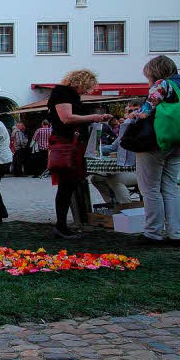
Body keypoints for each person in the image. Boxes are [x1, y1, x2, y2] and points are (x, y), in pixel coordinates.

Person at [133, 55, 180, 245]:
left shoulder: (162, 84)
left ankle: (152, 232)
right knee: (170, 187)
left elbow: (146, 111)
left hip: (157, 141)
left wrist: (135, 115)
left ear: (154, 72)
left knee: (150, 188)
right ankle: (176, 233)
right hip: (178, 141)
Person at [47, 69, 111, 239]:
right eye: (87, 87)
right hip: (67, 143)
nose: (87, 91)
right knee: (66, 185)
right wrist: (94, 118)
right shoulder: (62, 92)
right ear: (80, 82)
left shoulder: (68, 94)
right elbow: (66, 118)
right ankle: (61, 226)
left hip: (72, 142)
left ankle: (65, 224)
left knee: (70, 185)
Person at [92, 102, 140, 207]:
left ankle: (127, 208)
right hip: (129, 168)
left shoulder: (140, 127)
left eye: (131, 111)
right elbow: (112, 147)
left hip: (141, 170)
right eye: (127, 111)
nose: (128, 114)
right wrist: (94, 149)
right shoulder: (126, 128)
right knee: (96, 178)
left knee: (114, 179)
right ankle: (112, 204)